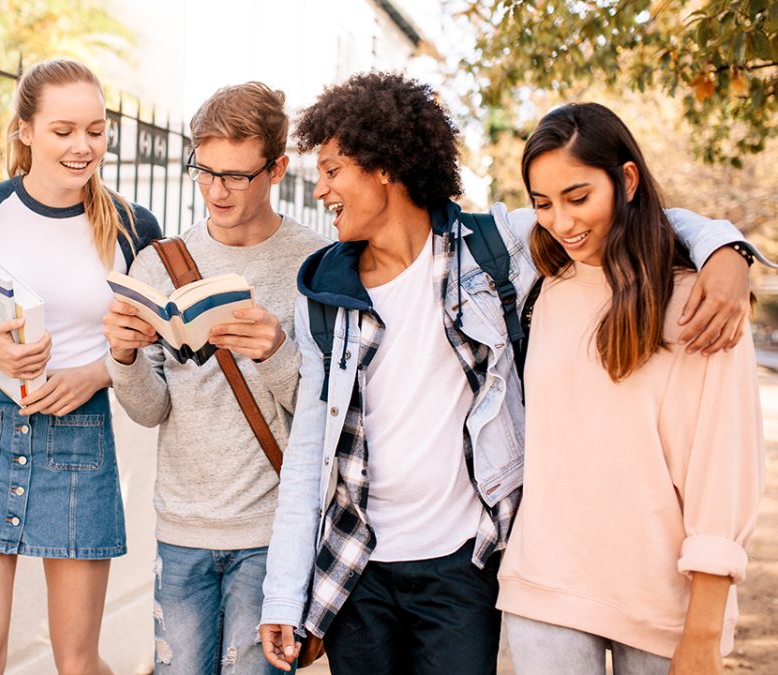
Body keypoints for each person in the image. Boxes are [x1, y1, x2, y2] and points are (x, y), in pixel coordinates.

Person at [257, 72, 754, 674]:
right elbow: (310, 451)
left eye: (332, 169)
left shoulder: (493, 251)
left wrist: (725, 250)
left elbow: (630, 212)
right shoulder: (324, 293)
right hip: (355, 560)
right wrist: (284, 594)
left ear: (384, 165)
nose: (320, 189)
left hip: (465, 561)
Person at [496, 102, 764, 675]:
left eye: (578, 197)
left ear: (628, 180)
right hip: (544, 587)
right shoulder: (542, 288)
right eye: (543, 203)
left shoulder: (704, 302)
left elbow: (722, 473)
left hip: (664, 605)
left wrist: (703, 631)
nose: (561, 222)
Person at [0, 59, 161, 675]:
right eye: (63, 130)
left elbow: (158, 348)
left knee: (77, 662)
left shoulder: (134, 228)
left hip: (80, 439)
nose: (83, 146)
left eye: (96, 130)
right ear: (25, 130)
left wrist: (96, 374)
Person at [101, 82, 328, 674]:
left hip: (272, 535)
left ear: (276, 169)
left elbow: (329, 414)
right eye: (204, 171)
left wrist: (276, 352)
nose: (216, 191)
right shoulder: (159, 263)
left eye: (235, 176)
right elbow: (150, 410)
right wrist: (123, 358)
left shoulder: (315, 263)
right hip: (181, 530)